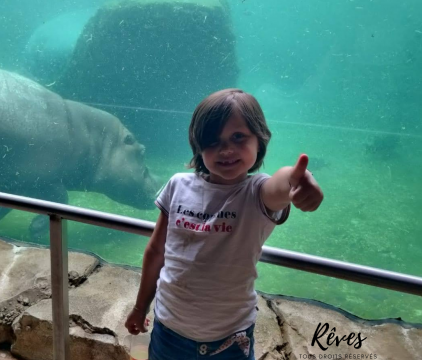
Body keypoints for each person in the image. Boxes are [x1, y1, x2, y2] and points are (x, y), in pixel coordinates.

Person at [124, 88, 324, 359]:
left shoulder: (256, 192)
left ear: (260, 139)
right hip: (168, 330)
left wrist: (299, 180)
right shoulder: (177, 186)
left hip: (230, 340)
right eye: (213, 141)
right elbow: (156, 252)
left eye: (238, 137)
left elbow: (281, 182)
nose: (226, 149)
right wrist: (140, 307)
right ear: (198, 145)